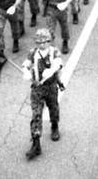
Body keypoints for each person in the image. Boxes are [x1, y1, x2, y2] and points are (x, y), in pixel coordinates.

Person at [22, 27, 64, 160]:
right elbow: (26, 64)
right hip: (37, 88)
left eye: (44, 42)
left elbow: (58, 63)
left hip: (51, 86)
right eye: (39, 42)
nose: (41, 44)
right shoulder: (33, 52)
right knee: (36, 114)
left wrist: (51, 70)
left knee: (53, 108)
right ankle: (36, 143)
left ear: (49, 41)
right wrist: (26, 71)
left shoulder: (54, 52)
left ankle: (55, 126)